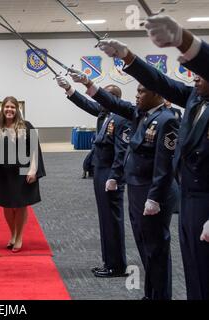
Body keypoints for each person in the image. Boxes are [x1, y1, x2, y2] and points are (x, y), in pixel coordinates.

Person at [98, 38, 209, 300]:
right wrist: (128, 57)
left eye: (201, 74)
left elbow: (162, 163)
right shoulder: (195, 98)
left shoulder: (167, 118)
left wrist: (184, 40)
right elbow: (161, 82)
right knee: (194, 267)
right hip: (189, 198)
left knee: (202, 267)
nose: (194, 80)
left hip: (200, 197)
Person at [70, 68, 179, 300]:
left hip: (152, 194)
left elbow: (164, 165)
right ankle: (151, 294)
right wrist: (88, 84)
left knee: (157, 250)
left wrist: (154, 197)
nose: (137, 95)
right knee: (145, 247)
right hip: (137, 190)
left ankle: (160, 296)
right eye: (137, 91)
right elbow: (114, 104)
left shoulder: (167, 120)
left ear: (158, 94)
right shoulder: (143, 114)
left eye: (142, 91)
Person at [57, 76, 130, 278]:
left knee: (112, 220)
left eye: (103, 95)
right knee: (105, 220)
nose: (98, 100)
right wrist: (70, 89)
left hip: (110, 174)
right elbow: (86, 104)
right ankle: (109, 261)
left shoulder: (121, 117)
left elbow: (122, 152)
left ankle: (116, 265)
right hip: (100, 171)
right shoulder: (105, 113)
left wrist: (115, 177)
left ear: (112, 97)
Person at [0, 96, 46, 253]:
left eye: (12, 107)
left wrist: (33, 169)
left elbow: (35, 149)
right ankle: (13, 234)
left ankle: (20, 236)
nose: (9, 110)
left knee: (21, 204)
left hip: (22, 171)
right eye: (7, 107)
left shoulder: (26, 126)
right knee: (7, 205)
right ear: (3, 109)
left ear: (17, 110)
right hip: (4, 173)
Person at [143, 15, 209, 81]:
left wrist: (181, 37)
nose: (195, 79)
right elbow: (162, 84)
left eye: (201, 75)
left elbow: (165, 85)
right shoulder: (193, 91)